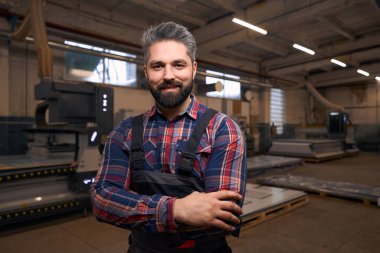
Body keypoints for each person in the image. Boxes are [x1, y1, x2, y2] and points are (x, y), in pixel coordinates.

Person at [90, 21, 247, 253]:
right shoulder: (125, 131)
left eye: (178, 65)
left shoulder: (222, 130)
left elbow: (222, 218)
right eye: (157, 66)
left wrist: (134, 207)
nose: (168, 75)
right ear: (146, 71)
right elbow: (102, 200)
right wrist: (175, 210)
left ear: (193, 69)